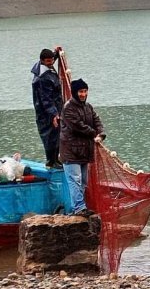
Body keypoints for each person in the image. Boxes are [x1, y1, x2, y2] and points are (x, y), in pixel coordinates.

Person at [59, 78, 105, 217]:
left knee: (83, 181)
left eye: (85, 91)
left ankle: (79, 207)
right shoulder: (68, 108)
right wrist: (93, 133)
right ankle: (79, 208)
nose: (83, 94)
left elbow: (97, 120)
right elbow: (78, 126)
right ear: (74, 92)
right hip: (71, 151)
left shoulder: (88, 107)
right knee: (75, 179)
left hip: (85, 151)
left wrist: (101, 133)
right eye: (80, 91)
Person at [31, 48, 63, 169]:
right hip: (46, 114)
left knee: (56, 135)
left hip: (52, 109)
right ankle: (51, 161)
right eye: (48, 61)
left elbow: (50, 58)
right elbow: (46, 99)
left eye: (52, 60)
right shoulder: (43, 78)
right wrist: (54, 114)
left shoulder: (41, 67)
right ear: (42, 61)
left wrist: (56, 54)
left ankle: (55, 160)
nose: (51, 63)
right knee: (50, 137)